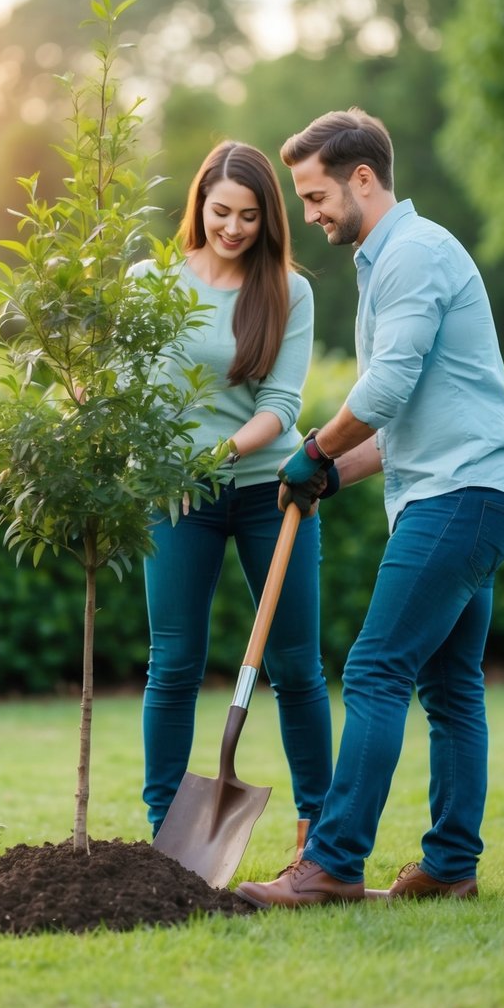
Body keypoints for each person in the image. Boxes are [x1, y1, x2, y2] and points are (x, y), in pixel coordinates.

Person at [234, 108, 504, 909]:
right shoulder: (390, 261)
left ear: (361, 178)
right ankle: (448, 867)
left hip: (461, 494)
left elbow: (383, 391)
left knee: (375, 668)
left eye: (314, 195)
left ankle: (331, 863)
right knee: (449, 687)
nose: (309, 215)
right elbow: (403, 423)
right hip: (469, 488)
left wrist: (315, 450)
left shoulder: (412, 254)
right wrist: (334, 474)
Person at [133, 140, 332, 857]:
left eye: (250, 215)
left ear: (267, 217)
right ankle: (166, 836)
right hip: (175, 496)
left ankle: (320, 835)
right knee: (175, 661)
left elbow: (280, 404)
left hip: (267, 494)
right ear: (199, 205)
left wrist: (209, 458)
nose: (234, 228)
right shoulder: (150, 282)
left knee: (295, 666)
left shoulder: (287, 290)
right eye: (221, 211)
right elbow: (129, 391)